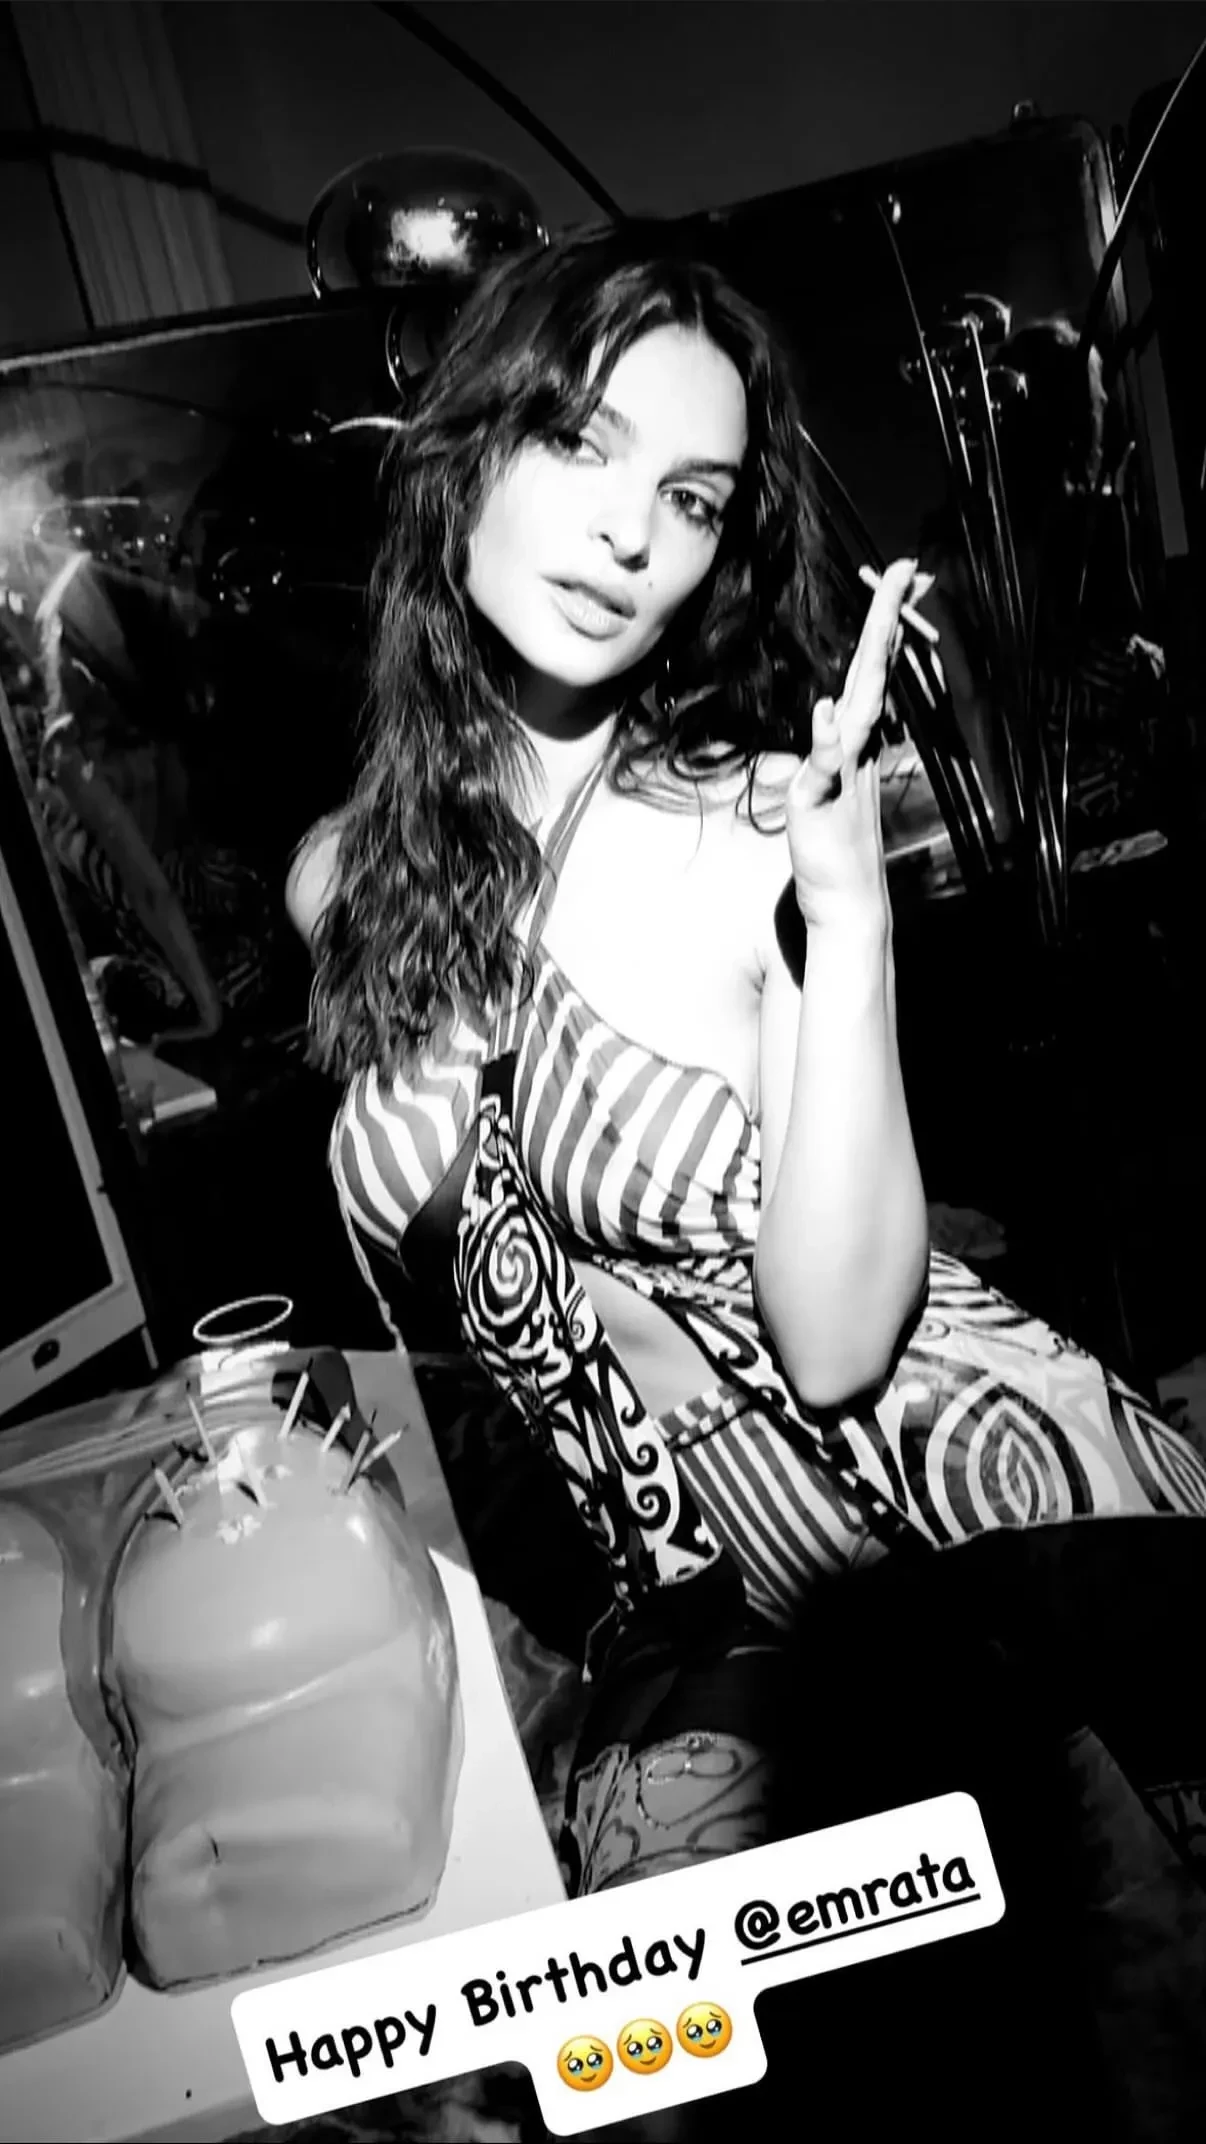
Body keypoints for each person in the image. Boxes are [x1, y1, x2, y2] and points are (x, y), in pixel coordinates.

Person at [286, 223, 1206, 1924]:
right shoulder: (344, 877)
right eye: (581, 442)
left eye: (693, 498)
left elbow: (839, 1340)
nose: (632, 533)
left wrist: (845, 921)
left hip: (984, 1528)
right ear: (466, 450)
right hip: (684, 1603)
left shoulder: (742, 833)